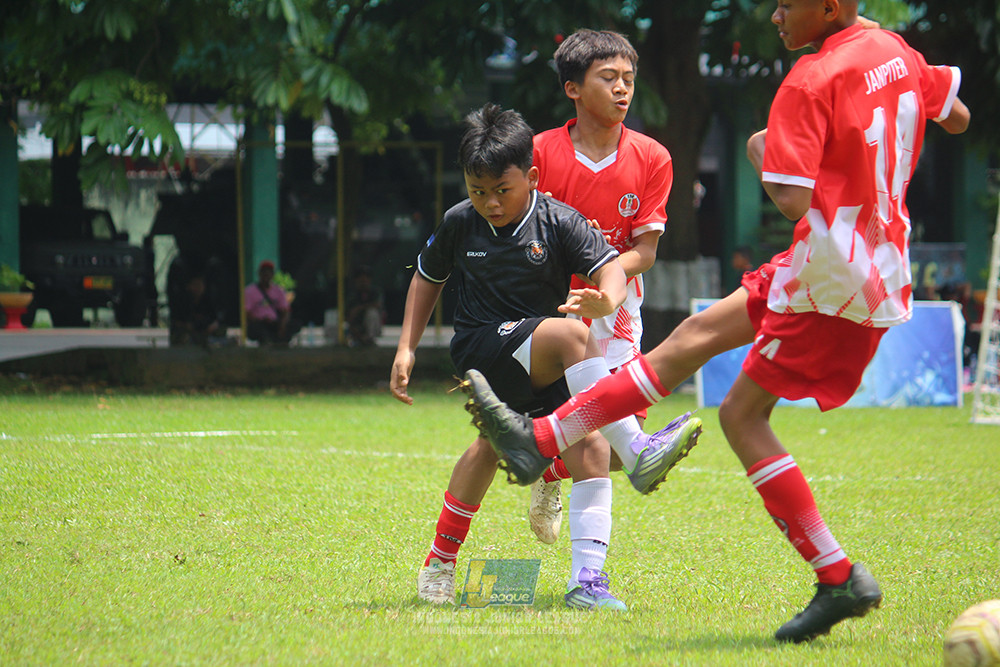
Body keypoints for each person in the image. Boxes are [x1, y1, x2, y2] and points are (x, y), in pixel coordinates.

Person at [462, 0, 969, 643]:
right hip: (880, 262)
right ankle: (545, 443)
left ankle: (836, 573)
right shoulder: (897, 51)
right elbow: (956, 116)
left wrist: (761, 150)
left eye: (786, 5)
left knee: (740, 414)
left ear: (829, 6)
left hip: (829, 266)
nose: (776, 17)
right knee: (691, 340)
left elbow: (792, 198)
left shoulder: (810, 79)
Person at [390, 104, 701, 611]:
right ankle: (637, 448)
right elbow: (428, 277)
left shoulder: (560, 221)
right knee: (573, 335)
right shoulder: (459, 223)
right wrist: (406, 347)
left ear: (532, 177)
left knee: (574, 447)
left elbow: (612, 269)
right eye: (477, 191)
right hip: (482, 350)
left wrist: (608, 298)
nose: (490, 203)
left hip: (542, 357)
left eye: (502, 190)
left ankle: (583, 582)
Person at [527, 29, 678, 544]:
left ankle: (549, 469)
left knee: (615, 445)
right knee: (597, 436)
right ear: (572, 88)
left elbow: (646, 251)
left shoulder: (653, 157)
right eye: (609, 77)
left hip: (616, 312)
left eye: (628, 79)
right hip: (550, 309)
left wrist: (606, 286)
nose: (622, 89)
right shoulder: (538, 153)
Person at [244, 260, 301, 345]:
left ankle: (281, 341)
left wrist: (282, 325)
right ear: (259, 274)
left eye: (269, 273)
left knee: (295, 324)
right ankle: (266, 341)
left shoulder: (278, 290)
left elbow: (285, 311)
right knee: (256, 328)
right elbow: (246, 312)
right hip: (260, 323)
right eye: (264, 273)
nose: (266, 275)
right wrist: (259, 319)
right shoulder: (250, 291)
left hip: (274, 323)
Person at [346, 267, 384, 346]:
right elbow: (349, 315)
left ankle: (369, 338)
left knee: (372, 313)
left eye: (365, 280)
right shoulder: (352, 294)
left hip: (372, 327)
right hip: (355, 328)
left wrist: (360, 308)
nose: (363, 283)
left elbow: (377, 305)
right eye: (360, 280)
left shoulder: (375, 292)